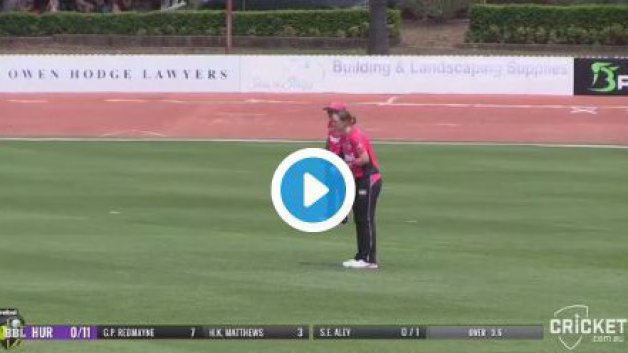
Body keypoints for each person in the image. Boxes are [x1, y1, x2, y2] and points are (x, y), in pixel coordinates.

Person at [334, 110, 382, 269]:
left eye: (336, 121)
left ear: (346, 122)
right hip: (359, 180)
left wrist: (349, 164)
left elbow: (365, 158)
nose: (333, 124)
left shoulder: (355, 136)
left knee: (366, 218)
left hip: (369, 180)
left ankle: (368, 259)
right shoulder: (344, 138)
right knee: (360, 219)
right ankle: (363, 256)